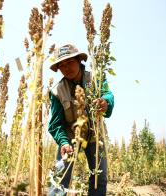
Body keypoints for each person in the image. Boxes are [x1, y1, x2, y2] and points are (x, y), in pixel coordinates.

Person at [48, 44, 114, 196]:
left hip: (95, 136)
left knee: (99, 176)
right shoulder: (57, 91)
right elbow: (55, 124)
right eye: (62, 65)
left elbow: (108, 95)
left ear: (79, 60)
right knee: (61, 176)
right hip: (71, 137)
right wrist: (64, 142)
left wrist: (105, 102)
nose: (66, 68)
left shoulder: (96, 79)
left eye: (70, 62)